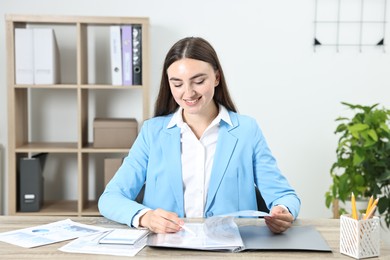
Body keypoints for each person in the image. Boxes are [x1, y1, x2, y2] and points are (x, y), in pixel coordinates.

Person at [98, 37, 300, 234]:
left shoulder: (247, 130)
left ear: (216, 78)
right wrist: (145, 217)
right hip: (166, 248)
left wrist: (283, 210)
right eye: (177, 84)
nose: (188, 93)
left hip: (232, 246)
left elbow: (285, 195)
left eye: (198, 81)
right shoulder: (153, 132)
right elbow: (110, 198)